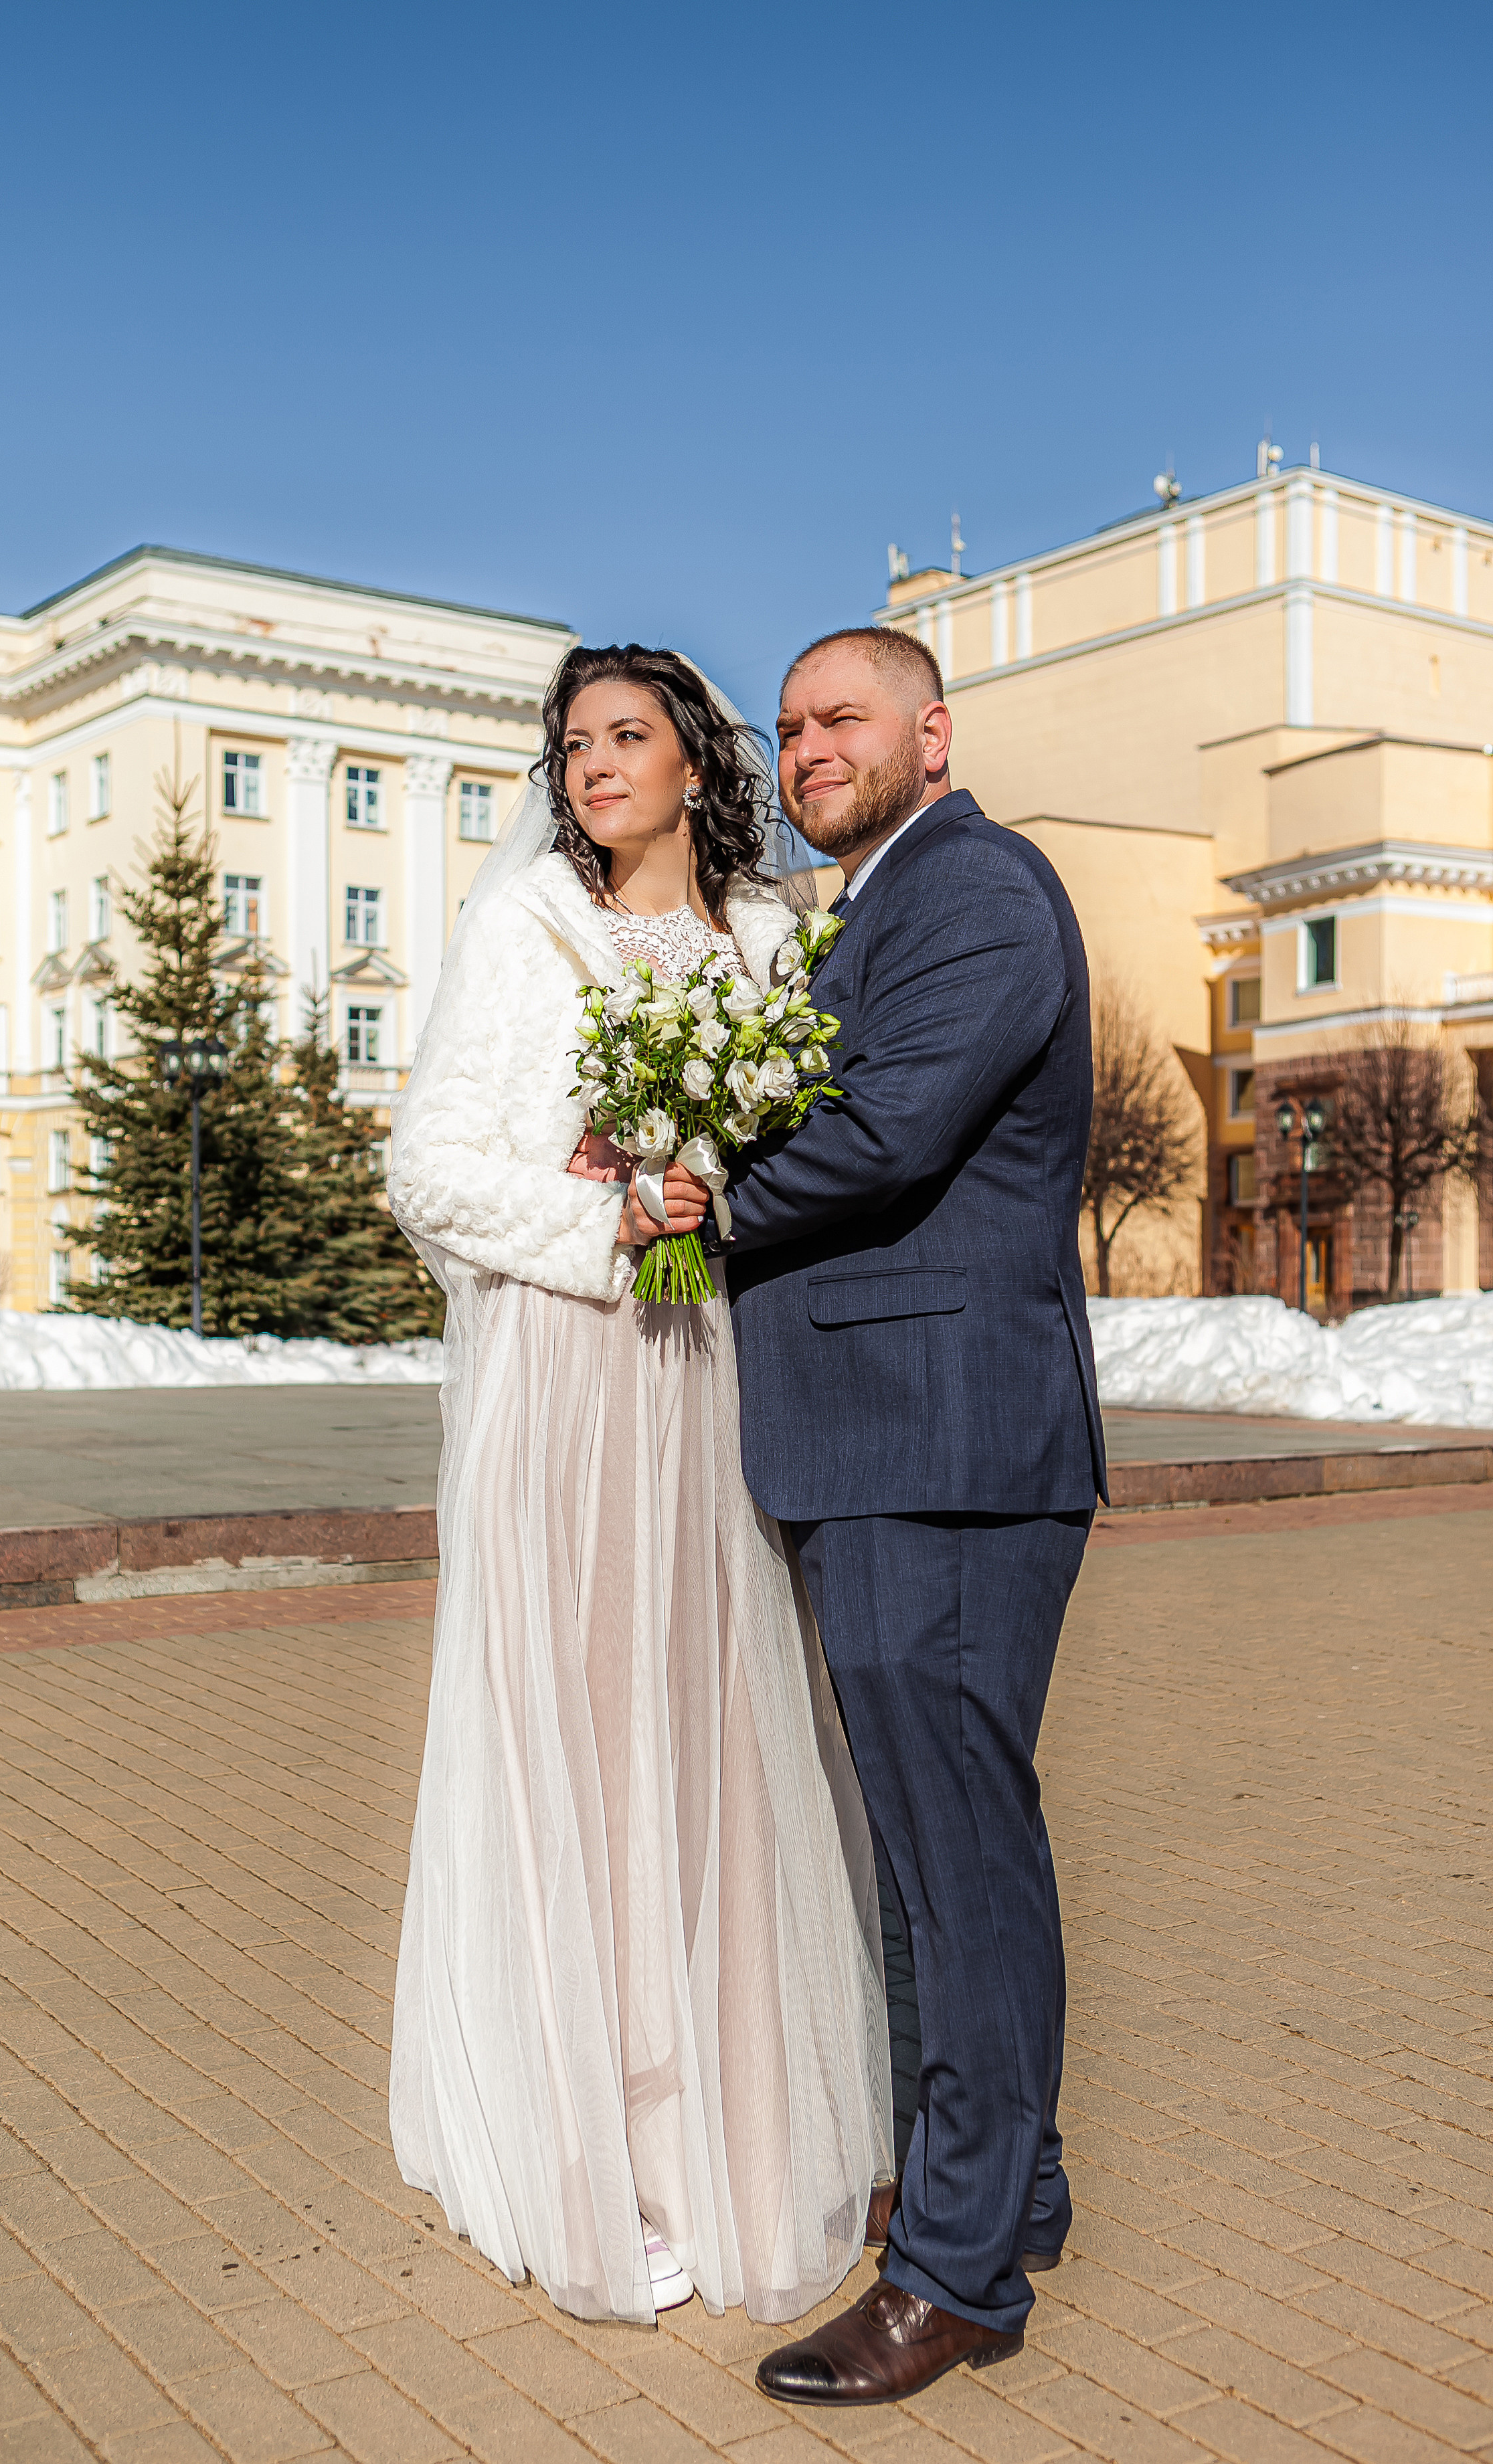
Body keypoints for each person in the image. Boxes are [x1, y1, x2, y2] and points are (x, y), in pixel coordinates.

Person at [384, 643, 891, 2328]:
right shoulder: (531, 925)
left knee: (716, 1738)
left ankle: (730, 2126)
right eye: (574, 741)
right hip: (576, 1374)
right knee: (590, 1739)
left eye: (628, 734)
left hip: (712, 1384)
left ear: (694, 758)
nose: (594, 764)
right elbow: (433, 1166)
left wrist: (708, 1177)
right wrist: (606, 1220)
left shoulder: (769, 937)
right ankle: (595, 2149)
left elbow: (811, 1142)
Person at [671, 626, 1108, 2402]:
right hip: (877, 1443)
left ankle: (956, 2275)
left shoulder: (979, 888)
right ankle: (1012, 2183)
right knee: (941, 1866)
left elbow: (884, 1135)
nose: (803, 748)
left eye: (838, 716)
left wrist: (684, 1195)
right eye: (784, 729)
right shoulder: (868, 905)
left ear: (933, 731)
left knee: (956, 1868)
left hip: (948, 1444)